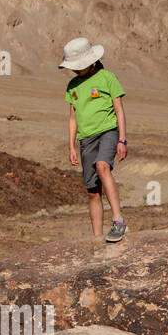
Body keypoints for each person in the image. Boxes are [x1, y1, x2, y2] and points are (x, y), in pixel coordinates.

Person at [59, 37, 128, 243]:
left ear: (92, 61)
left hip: (108, 131)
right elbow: (72, 118)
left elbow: (119, 110)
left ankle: (118, 220)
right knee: (92, 191)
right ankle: (97, 238)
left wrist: (122, 139)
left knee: (102, 166)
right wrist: (71, 145)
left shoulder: (108, 78)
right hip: (85, 139)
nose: (75, 71)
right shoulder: (72, 86)